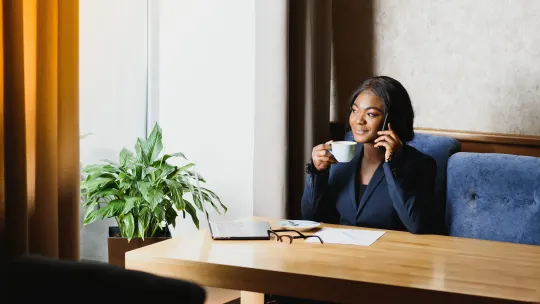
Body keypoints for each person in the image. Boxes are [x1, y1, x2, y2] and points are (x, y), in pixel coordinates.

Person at [302, 76, 437, 234]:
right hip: (343, 252)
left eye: (371, 114)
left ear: (391, 119)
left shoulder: (421, 164)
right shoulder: (340, 159)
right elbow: (311, 216)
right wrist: (318, 173)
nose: (358, 120)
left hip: (390, 254)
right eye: (354, 110)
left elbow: (417, 225)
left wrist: (393, 163)